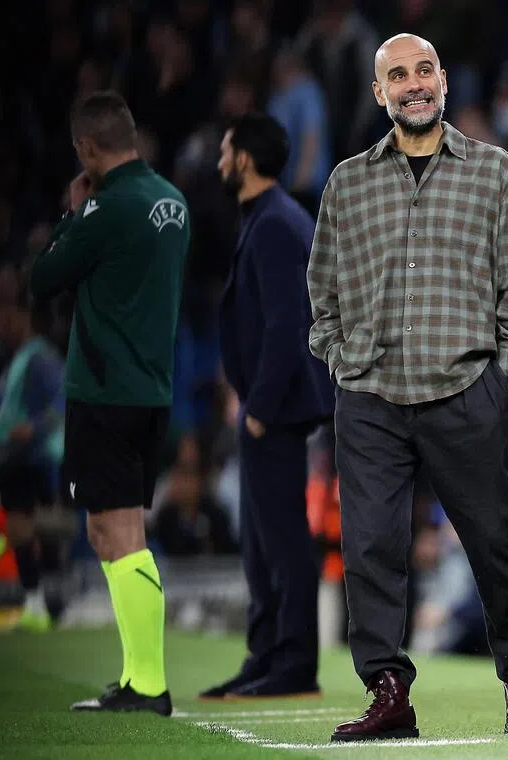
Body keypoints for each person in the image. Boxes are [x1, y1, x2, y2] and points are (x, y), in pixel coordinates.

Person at [307, 33, 508, 742]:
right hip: (371, 396)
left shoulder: (499, 174)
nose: (413, 84)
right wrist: (340, 359)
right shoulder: (347, 183)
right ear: (379, 92)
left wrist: (504, 379)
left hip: (465, 390)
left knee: (497, 544)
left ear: (443, 80)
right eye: (397, 76)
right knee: (369, 550)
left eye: (423, 71)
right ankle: (388, 693)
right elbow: (322, 291)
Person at [28, 91, 190, 716]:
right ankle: (134, 676)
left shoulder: (106, 207)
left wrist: (72, 213)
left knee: (117, 533)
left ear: (87, 148)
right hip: (150, 388)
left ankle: (148, 685)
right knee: (111, 531)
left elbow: (43, 280)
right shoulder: (171, 201)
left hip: (104, 390)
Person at [200, 112, 333, 700]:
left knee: (281, 538)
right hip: (267, 405)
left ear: (246, 160)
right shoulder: (268, 217)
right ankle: (266, 655)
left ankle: (294, 662)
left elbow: (286, 324)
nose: (219, 161)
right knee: (259, 540)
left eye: (225, 150)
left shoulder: (276, 221)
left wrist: (258, 406)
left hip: (274, 409)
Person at [0, 276, 65, 633]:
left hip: (28, 457)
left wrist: (35, 427)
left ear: (22, 317)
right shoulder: (20, 359)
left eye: (4, 317)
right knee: (18, 528)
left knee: (18, 525)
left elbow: (62, 399)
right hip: (15, 454)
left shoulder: (39, 358)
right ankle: (35, 604)